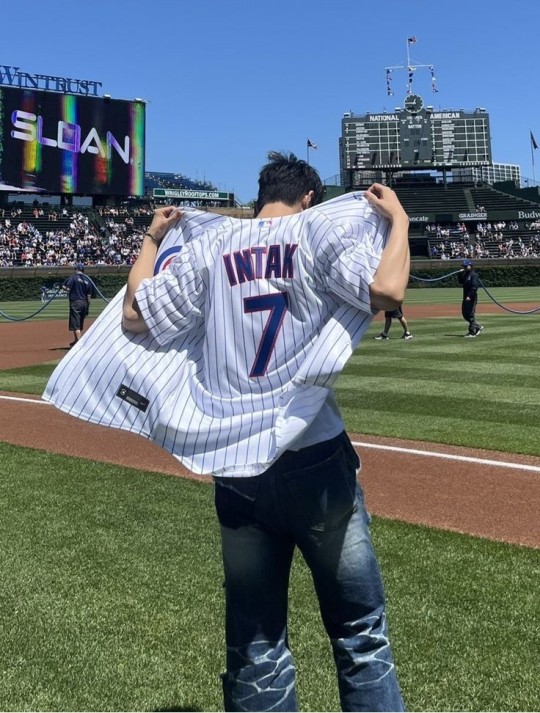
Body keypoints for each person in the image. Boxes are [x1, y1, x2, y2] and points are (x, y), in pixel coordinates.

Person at [121, 152, 410, 712]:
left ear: (261, 197)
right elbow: (388, 290)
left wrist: (153, 239)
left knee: (256, 647)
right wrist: (398, 219)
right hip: (315, 456)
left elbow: (135, 314)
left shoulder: (210, 246)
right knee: (360, 636)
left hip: (235, 464)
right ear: (308, 198)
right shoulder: (317, 232)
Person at [62, 263, 96, 346]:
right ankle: (76, 340)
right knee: (79, 324)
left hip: (75, 302)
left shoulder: (73, 277)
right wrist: (87, 307)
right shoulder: (88, 279)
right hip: (84, 303)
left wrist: (62, 287)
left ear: (76, 269)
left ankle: (80, 345)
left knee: (75, 324)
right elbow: (89, 296)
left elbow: (67, 289)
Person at [457, 258, 483, 337]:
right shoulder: (465, 274)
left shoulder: (474, 275)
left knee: (470, 314)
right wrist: (459, 274)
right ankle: (477, 327)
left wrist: (469, 296)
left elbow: (474, 287)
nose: (464, 268)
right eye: (463, 266)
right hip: (465, 297)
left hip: (471, 297)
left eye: (466, 266)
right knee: (464, 314)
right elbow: (460, 282)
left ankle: (472, 332)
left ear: (470, 266)